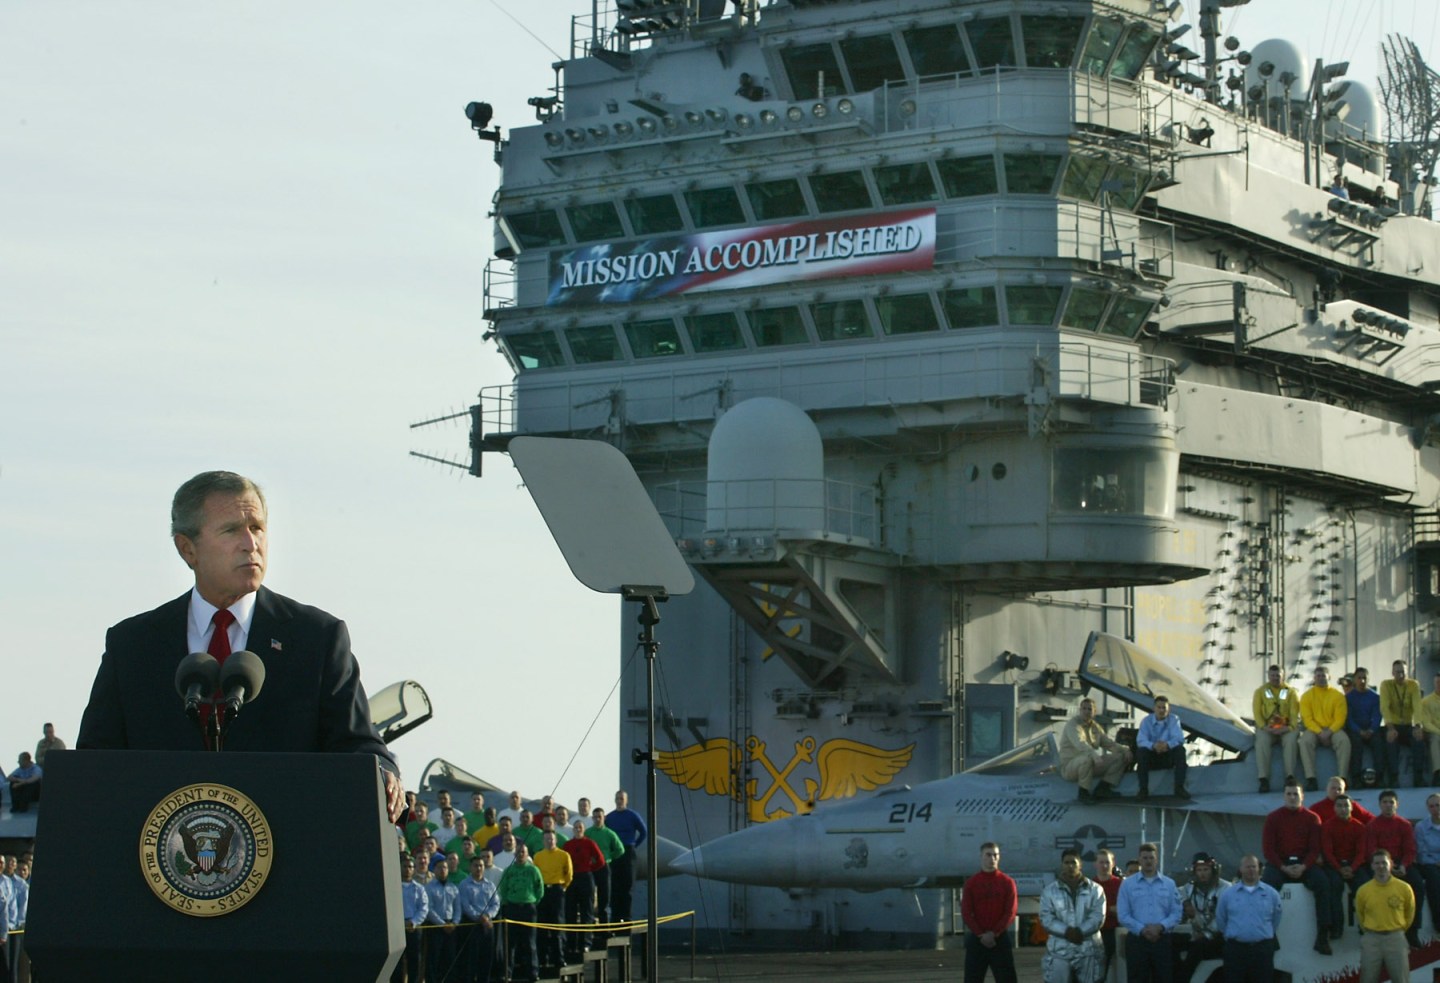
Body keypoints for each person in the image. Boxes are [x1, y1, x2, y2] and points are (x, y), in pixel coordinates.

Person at [76, 471, 403, 820]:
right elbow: (94, 763)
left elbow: (357, 743)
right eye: (231, 530)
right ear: (187, 549)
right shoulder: (133, 646)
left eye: (257, 528)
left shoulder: (316, 638)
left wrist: (382, 772)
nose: (251, 543)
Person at [1260, 778, 1333, 953]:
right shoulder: (1272, 818)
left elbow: (1315, 849)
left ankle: (1323, 936)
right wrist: (1283, 867)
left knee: (1323, 883)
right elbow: (1268, 850)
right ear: (1284, 796)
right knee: (1266, 887)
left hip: (1305, 864)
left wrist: (1303, 866)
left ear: (1302, 796)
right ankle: (1269, 934)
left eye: (1296, 794)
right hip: (1280, 864)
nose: (1292, 797)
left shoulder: (1313, 818)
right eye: (1289, 794)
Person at [1359, 788, 1425, 947]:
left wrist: (1403, 865)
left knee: (1417, 885)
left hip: (1402, 863)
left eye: (1391, 802)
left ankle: (1413, 931)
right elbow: (1371, 850)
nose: (1388, 805)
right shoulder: (1372, 825)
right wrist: (1386, 866)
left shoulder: (1405, 825)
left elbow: (1410, 850)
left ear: (1397, 804)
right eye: (1385, 802)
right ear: (1379, 805)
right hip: (1380, 864)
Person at [1038, 848, 1105, 983]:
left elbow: (1098, 917)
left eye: (1073, 862)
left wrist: (1080, 931)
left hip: (1089, 951)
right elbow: (1046, 918)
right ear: (1062, 865)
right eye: (1066, 862)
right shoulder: (1049, 891)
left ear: (1080, 865)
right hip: (1059, 952)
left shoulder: (1096, 890)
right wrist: (1067, 931)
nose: (1070, 866)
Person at [1214, 854, 1282, 983]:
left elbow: (1276, 918)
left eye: (1254, 867)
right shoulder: (1228, 894)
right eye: (1247, 867)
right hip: (1236, 950)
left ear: (1259, 869)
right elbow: (1221, 919)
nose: (1251, 870)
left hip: (1262, 950)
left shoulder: (1271, 893)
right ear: (1241, 869)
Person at [1117, 842, 1180, 981]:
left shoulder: (1169, 884)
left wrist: (1160, 927)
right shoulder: (1127, 884)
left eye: (1151, 858)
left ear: (1156, 859)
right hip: (1137, 941)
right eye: (1145, 858)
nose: (1148, 861)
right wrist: (1142, 930)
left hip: (1162, 940)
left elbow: (1176, 913)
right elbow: (1123, 915)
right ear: (1139, 860)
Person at [960, 842, 1018, 983]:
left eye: (995, 855)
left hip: (1000, 939)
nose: (992, 858)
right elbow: (966, 912)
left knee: (1007, 979)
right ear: (981, 856)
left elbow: (1010, 911)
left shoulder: (1007, 882)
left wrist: (995, 933)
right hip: (977, 939)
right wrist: (980, 934)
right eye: (988, 855)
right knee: (972, 979)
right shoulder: (971, 883)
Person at [1059, 698, 1132, 803]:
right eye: (1084, 708)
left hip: (1090, 764)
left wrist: (1125, 750)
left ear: (1094, 712)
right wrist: (1094, 755)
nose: (1086, 711)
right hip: (1070, 767)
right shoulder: (1073, 724)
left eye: (1090, 709)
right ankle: (1083, 793)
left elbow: (1109, 744)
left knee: (1120, 757)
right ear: (1080, 710)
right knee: (1086, 759)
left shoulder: (1095, 727)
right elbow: (1080, 744)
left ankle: (1103, 788)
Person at [1356, 849, 1414, 983]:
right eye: (1377, 863)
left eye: (1384, 862)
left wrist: (1398, 931)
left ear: (1391, 864)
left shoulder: (1404, 888)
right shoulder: (1363, 890)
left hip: (1396, 938)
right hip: (1371, 939)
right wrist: (1371, 932)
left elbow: (1409, 914)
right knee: (1367, 979)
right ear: (1372, 866)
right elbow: (1360, 916)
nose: (1381, 866)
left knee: (1401, 979)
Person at [1176, 852, 1230, 983]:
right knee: (1169, 942)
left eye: (1206, 869)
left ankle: (1182, 980)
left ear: (1213, 870)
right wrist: (1186, 903)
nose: (1202, 874)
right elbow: (1177, 891)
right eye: (1199, 870)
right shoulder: (1191, 887)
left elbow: (1222, 918)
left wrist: (1205, 934)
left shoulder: (1226, 888)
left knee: (1197, 948)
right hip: (1198, 933)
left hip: (1219, 937)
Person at [498, 842, 545, 983]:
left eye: (523, 852)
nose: (520, 855)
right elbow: (503, 888)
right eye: (518, 852)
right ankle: (507, 974)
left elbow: (540, 889)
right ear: (514, 854)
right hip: (512, 908)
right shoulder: (508, 870)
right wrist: (507, 901)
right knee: (510, 943)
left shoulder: (533, 870)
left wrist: (533, 901)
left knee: (530, 943)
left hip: (528, 908)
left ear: (527, 854)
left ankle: (533, 973)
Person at [1299, 666, 1351, 792]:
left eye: (1323, 676)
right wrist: (1320, 732)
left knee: (1344, 741)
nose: (1321, 678)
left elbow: (1340, 718)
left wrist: (1329, 732)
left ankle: (1343, 777)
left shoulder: (1338, 696)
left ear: (1329, 677)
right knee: (1305, 742)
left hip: (1333, 729)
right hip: (1314, 729)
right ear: (1314, 678)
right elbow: (1307, 719)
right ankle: (1311, 778)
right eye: (1318, 676)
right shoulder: (1306, 696)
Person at [1321, 793, 1367, 930]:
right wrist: (1339, 868)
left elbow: (1361, 852)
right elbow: (1328, 852)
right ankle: (1337, 927)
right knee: (1335, 886)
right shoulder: (1327, 826)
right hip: (1334, 866)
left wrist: (1352, 868)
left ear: (1351, 807)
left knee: (1364, 886)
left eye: (1346, 806)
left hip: (1354, 865)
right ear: (1334, 808)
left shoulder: (1359, 827)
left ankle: (1365, 925)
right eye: (1339, 806)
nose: (1343, 809)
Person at [1252, 664, 1300, 793]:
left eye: (1278, 675)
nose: (1275, 678)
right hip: (1268, 728)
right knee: (1262, 742)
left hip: (1286, 728)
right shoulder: (1260, 692)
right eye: (1272, 675)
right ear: (1268, 676)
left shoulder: (1291, 692)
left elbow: (1294, 714)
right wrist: (1264, 727)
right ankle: (1263, 778)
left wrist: (1289, 727)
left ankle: (1290, 776)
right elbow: (1257, 713)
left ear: (1283, 676)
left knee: (1291, 742)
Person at [563, 818, 606, 959]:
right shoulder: (568, 845)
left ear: (583, 829)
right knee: (570, 912)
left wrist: (589, 868)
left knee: (586, 911)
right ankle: (571, 944)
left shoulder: (589, 843)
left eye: (580, 827)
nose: (578, 829)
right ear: (573, 829)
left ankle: (585, 943)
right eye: (575, 827)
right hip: (572, 879)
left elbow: (600, 860)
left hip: (586, 878)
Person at [1382, 660, 1427, 787]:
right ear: (1392, 673)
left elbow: (1417, 706)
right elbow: (1384, 707)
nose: (1401, 675)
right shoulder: (1386, 685)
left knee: (1419, 740)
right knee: (1390, 741)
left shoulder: (1413, 685)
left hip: (1407, 725)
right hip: (1393, 725)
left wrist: (1418, 726)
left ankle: (1418, 777)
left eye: (1403, 672)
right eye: (1398, 672)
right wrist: (1390, 727)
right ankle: (1393, 777)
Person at [1136, 695, 1190, 800]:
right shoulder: (1146, 721)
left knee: (1180, 750)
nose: (1161, 710)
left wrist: (1167, 745)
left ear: (1168, 709)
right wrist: (1153, 746)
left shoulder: (1174, 719)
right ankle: (1143, 790)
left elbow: (1179, 738)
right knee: (1141, 752)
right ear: (1154, 708)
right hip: (1153, 756)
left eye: (1164, 708)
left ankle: (1179, 788)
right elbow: (1141, 740)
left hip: (1167, 755)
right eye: (1159, 707)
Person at [533, 830, 573, 971]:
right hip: (543, 891)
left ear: (556, 840)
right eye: (547, 839)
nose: (549, 841)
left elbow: (569, 874)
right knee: (542, 925)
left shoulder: (564, 855)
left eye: (551, 839)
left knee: (557, 925)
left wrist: (563, 887)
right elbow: (536, 875)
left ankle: (559, 958)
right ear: (543, 841)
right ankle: (543, 959)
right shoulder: (538, 856)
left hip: (557, 890)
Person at [606, 790, 647, 925]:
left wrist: (634, 845)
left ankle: (626, 919)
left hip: (628, 852)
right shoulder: (609, 817)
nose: (619, 801)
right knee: (614, 887)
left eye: (622, 799)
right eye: (617, 798)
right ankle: (615, 920)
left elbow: (643, 832)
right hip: (615, 853)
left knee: (627, 887)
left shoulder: (632, 815)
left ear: (626, 801)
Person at [458, 854, 501, 983]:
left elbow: (496, 904)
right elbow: (466, 906)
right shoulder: (464, 885)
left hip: (488, 925)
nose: (478, 868)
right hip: (472, 925)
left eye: (481, 866)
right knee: (471, 958)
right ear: (470, 867)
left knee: (486, 957)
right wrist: (480, 917)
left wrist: (488, 916)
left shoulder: (490, 885)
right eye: (475, 866)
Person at [587, 807, 625, 931]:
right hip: (590, 867)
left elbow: (620, 850)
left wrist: (608, 857)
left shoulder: (609, 833)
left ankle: (604, 927)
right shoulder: (588, 833)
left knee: (604, 896)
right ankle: (590, 924)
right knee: (590, 895)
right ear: (592, 818)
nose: (597, 819)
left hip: (604, 867)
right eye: (595, 817)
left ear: (604, 818)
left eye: (600, 817)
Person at [1346, 668, 1385, 788]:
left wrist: (1371, 730)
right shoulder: (1349, 697)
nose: (1362, 681)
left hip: (1371, 730)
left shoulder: (1375, 697)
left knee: (1378, 743)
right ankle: (1356, 778)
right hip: (1356, 730)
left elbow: (1377, 716)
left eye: (1364, 678)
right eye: (1359, 678)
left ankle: (1380, 777)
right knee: (1356, 744)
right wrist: (1359, 731)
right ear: (1354, 680)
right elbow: (1349, 718)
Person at [425, 857, 462, 981]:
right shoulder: (429, 887)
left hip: (451, 926)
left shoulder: (453, 888)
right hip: (435, 926)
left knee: (450, 957)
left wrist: (455, 923)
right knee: (434, 958)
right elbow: (429, 909)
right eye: (439, 867)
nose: (442, 870)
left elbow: (458, 908)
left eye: (445, 867)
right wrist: (442, 924)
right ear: (434, 870)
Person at [394, 855, 429, 983]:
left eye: (410, 867)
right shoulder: (393, 887)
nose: (407, 869)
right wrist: (400, 923)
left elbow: (424, 908)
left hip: (414, 927)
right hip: (397, 928)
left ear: (414, 869)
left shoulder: (419, 888)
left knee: (414, 960)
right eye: (405, 866)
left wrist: (414, 921)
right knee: (396, 961)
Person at [1092, 849, 1122, 979]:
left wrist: (1102, 910)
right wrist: (1110, 909)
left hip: (1115, 931)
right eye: (1101, 862)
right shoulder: (1090, 886)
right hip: (1095, 932)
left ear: (1113, 863)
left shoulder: (1121, 885)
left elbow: (1123, 909)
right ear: (1095, 864)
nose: (1104, 866)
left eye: (1107, 862)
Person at [1414, 792, 1440, 936]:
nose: (1436, 809)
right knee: (1434, 880)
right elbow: (1421, 854)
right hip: (1430, 865)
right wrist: (1436, 862)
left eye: (1438, 805)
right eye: (1432, 806)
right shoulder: (1421, 827)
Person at [1309, 775, 1376, 825]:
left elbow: (1371, 819)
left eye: (1339, 789)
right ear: (1327, 789)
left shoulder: (1351, 805)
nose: (1336, 791)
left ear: (1344, 791)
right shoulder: (1316, 808)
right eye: (1333, 788)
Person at [1420, 672, 1440, 785]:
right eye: (1438, 682)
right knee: (1435, 739)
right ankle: (1438, 773)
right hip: (1432, 733)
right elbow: (1426, 723)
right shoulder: (1426, 702)